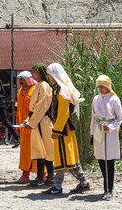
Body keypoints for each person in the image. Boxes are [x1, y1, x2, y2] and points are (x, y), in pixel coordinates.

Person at [43, 63, 89, 195]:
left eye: (49, 74)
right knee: (65, 158)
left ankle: (60, 186)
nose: (48, 76)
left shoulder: (62, 91)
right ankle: (82, 183)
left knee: (66, 158)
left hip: (63, 129)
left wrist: (57, 130)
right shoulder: (58, 89)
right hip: (62, 128)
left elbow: (63, 113)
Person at [90, 74, 122, 200]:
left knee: (109, 160)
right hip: (98, 131)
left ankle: (108, 189)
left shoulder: (114, 99)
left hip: (109, 132)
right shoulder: (96, 99)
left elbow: (119, 118)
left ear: (108, 86)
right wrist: (92, 134)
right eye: (98, 86)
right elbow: (93, 117)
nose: (100, 89)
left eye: (102, 86)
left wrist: (110, 126)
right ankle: (107, 185)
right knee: (101, 160)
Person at [22, 63, 55, 187]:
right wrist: (29, 120)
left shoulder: (44, 86)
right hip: (37, 121)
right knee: (39, 149)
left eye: (35, 72)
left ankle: (50, 177)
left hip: (43, 121)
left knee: (46, 148)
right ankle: (40, 177)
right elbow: (34, 108)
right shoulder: (38, 86)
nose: (33, 74)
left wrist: (31, 122)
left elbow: (42, 106)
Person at [15, 71, 38, 183]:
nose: (20, 81)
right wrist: (18, 125)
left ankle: (42, 173)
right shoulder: (20, 91)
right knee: (24, 151)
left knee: (37, 149)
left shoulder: (35, 90)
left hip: (33, 126)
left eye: (23, 79)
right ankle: (25, 173)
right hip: (23, 127)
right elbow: (18, 109)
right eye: (20, 79)